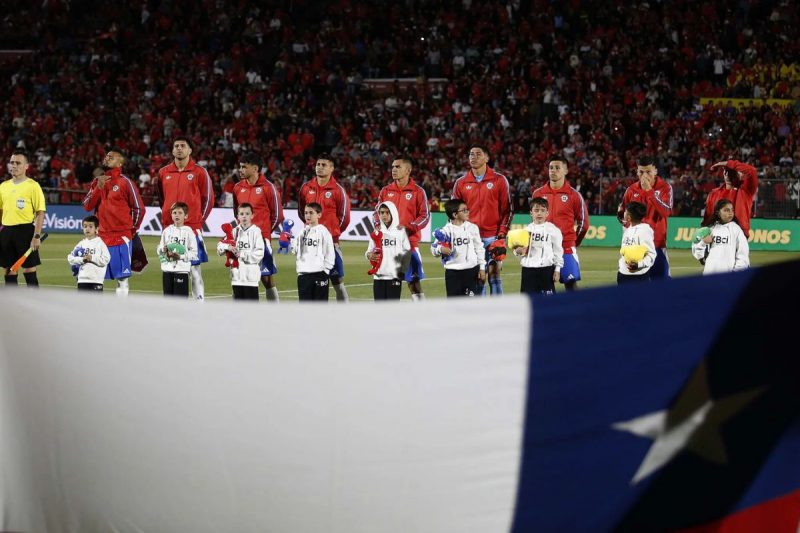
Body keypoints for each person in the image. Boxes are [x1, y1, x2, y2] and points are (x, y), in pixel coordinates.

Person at [155, 136, 214, 301]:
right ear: (173, 150)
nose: (179, 148)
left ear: (190, 150)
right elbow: (162, 199)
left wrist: (197, 220)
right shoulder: (163, 172)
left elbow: (208, 199)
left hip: (193, 227)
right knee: (169, 266)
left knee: (194, 270)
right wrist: (169, 218)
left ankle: (199, 303)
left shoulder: (199, 172)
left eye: (183, 146)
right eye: (176, 146)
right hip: (170, 228)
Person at [82, 147, 144, 296]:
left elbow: (139, 209)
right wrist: (98, 187)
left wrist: (131, 230)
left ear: (120, 162)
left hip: (121, 237)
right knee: (96, 277)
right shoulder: (97, 181)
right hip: (100, 238)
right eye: (106, 156)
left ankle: (120, 313)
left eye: (112, 157)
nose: (107, 158)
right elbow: (87, 206)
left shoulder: (125, 182)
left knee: (122, 279)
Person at [451, 144, 512, 296]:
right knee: (478, 277)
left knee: (494, 275)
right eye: (471, 154)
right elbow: (454, 211)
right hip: (471, 238)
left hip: (493, 237)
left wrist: (502, 234)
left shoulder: (499, 180)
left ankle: (499, 314)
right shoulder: (461, 183)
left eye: (478, 154)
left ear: (487, 158)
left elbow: (508, 210)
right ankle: (482, 314)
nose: (474, 157)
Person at [373, 156, 430, 301]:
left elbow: (424, 215)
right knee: (388, 282)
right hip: (389, 245)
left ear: (408, 170)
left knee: (413, 282)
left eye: (398, 167)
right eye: (393, 166)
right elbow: (376, 213)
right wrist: (380, 228)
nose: (394, 169)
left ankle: (422, 312)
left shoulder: (418, 191)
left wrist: (409, 228)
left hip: (408, 244)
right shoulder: (386, 191)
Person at [531, 155, 589, 290]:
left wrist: (574, 241)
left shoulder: (574, 195)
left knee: (570, 283)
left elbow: (584, 223)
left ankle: (576, 311)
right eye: (551, 168)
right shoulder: (538, 193)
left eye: (557, 168)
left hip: (566, 246)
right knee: (544, 286)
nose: (553, 170)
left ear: (566, 171)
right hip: (543, 247)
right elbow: (534, 222)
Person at [297, 154, 350, 301]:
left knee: (337, 281)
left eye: (324, 165)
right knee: (310, 280)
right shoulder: (306, 188)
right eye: (318, 164)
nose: (319, 167)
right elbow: (302, 212)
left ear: (332, 168)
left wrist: (330, 234)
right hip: (310, 244)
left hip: (330, 244)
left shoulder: (338, 190)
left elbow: (345, 218)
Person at [233, 152, 283, 301]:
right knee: (240, 276)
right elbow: (237, 213)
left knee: (267, 279)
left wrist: (264, 234)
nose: (240, 170)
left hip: (261, 240)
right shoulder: (237, 187)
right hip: (243, 242)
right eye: (240, 167)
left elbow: (278, 215)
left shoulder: (268, 188)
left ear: (255, 168)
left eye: (244, 167)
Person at [617, 156, 673, 279]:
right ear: (637, 172)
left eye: (648, 171)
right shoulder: (631, 190)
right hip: (635, 248)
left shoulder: (665, 188)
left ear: (655, 171)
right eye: (641, 172)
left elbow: (666, 212)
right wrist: (626, 222)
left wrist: (649, 191)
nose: (644, 175)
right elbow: (622, 215)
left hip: (657, 245)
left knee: (663, 288)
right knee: (635, 289)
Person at [0, 150, 46, 287]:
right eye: (12, 162)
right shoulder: (3, 186)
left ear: (26, 166)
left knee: (29, 269)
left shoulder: (33, 186)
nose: (14, 166)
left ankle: (34, 303)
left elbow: (40, 212)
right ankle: (13, 304)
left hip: (26, 231)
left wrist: (36, 235)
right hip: (6, 231)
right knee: (9, 270)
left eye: (18, 163)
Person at [431, 199, 486, 297]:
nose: (468, 212)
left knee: (470, 306)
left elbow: (479, 249)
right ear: (455, 215)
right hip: (452, 273)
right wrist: (440, 249)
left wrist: (482, 268)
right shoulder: (445, 231)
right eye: (464, 210)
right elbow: (434, 249)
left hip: (471, 271)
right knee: (454, 306)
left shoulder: (472, 228)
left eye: (467, 209)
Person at [512, 197, 563, 295]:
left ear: (547, 213)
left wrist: (557, 270)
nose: (539, 213)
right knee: (528, 303)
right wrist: (517, 251)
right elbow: (518, 253)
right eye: (536, 210)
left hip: (546, 270)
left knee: (548, 304)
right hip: (528, 271)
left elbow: (558, 252)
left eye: (543, 210)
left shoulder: (554, 230)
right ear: (531, 213)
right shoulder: (525, 231)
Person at [217, 203, 264, 300]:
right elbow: (219, 248)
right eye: (242, 214)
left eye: (247, 214)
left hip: (251, 278)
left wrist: (241, 254)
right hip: (236, 278)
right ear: (238, 216)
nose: (244, 216)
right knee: (238, 311)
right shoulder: (234, 231)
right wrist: (228, 247)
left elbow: (259, 254)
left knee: (251, 311)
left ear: (252, 215)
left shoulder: (256, 231)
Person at [366, 201, 411, 300]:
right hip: (378, 276)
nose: (384, 215)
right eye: (382, 213)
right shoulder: (376, 232)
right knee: (379, 310)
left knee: (392, 310)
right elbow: (368, 251)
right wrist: (369, 255)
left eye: (387, 212)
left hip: (394, 277)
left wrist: (402, 270)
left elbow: (407, 252)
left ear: (393, 213)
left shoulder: (400, 232)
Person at [692, 199, 750, 275]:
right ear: (718, 212)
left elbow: (743, 254)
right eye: (726, 210)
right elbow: (698, 254)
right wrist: (703, 242)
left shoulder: (736, 229)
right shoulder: (710, 229)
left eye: (732, 210)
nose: (730, 213)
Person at [703, 159, 758, 238]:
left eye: (731, 171)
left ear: (740, 173)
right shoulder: (714, 193)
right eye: (725, 171)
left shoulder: (746, 190)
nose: (727, 174)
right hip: (717, 235)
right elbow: (708, 217)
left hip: (739, 235)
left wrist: (725, 163)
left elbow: (752, 171)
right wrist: (704, 232)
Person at [294, 202, 335, 302]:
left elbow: (330, 254)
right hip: (303, 276)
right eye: (306, 213)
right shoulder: (302, 232)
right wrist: (287, 242)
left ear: (319, 215)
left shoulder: (324, 232)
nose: (308, 215)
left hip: (319, 274)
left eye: (311, 213)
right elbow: (295, 250)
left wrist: (325, 271)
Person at [156, 202, 198, 298]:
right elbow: (159, 249)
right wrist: (163, 250)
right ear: (171, 215)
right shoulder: (166, 231)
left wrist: (180, 256)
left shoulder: (189, 232)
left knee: (180, 302)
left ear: (186, 216)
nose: (177, 215)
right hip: (167, 271)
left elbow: (194, 253)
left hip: (181, 271)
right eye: (174, 213)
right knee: (168, 303)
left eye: (180, 213)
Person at [67, 215, 110, 292]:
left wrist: (92, 258)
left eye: (90, 226)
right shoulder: (81, 244)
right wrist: (82, 259)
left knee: (95, 304)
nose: (87, 228)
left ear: (96, 229)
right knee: (82, 304)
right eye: (85, 226)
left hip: (96, 281)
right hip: (82, 281)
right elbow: (70, 258)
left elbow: (106, 259)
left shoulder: (100, 243)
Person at [617, 202, 656, 284]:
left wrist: (639, 264)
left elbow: (652, 254)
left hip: (638, 276)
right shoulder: (627, 230)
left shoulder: (644, 231)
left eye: (625, 211)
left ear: (629, 217)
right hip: (623, 274)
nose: (624, 212)